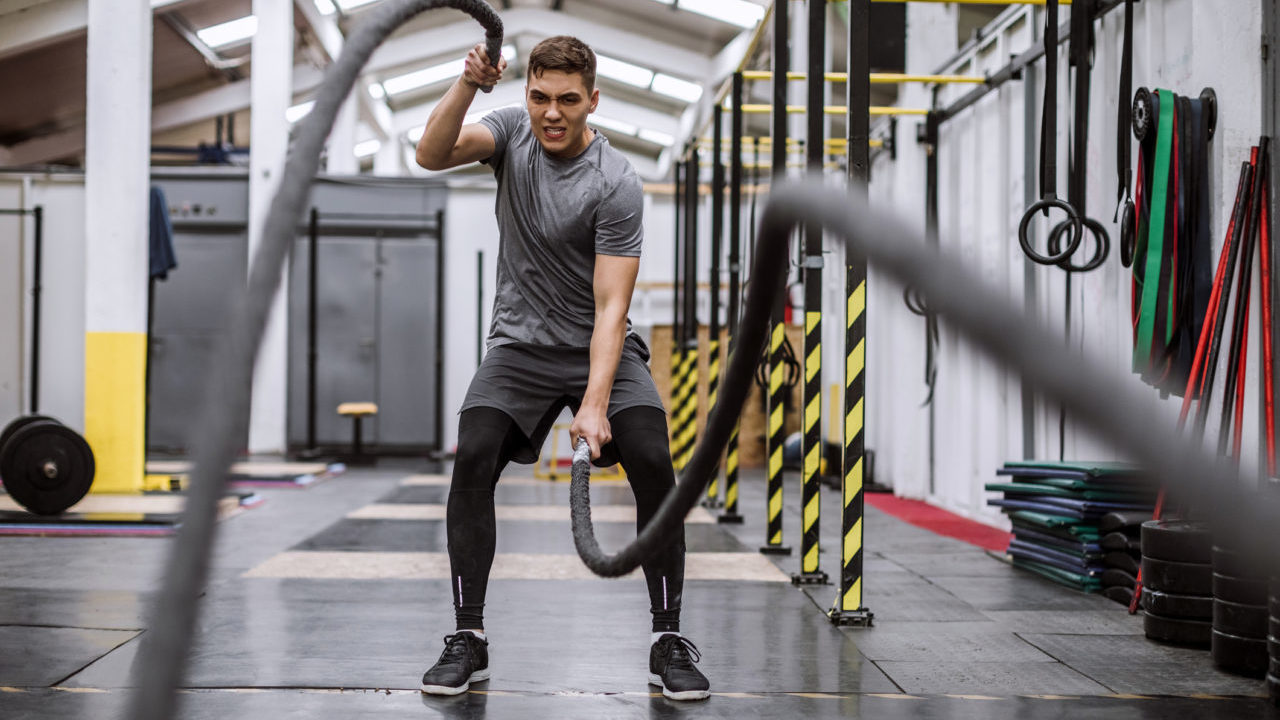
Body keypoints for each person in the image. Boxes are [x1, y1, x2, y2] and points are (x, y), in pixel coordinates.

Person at [413, 35, 710, 701]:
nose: (552, 112)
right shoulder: (511, 133)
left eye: (568, 100)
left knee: (653, 459)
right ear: (527, 95)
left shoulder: (616, 182)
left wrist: (596, 404)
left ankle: (669, 638)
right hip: (518, 350)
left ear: (593, 101)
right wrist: (468, 85)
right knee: (475, 455)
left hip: (597, 347)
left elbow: (611, 309)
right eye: (540, 96)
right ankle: (469, 636)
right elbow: (430, 154)